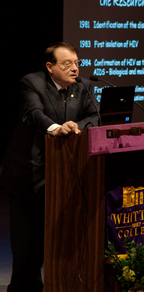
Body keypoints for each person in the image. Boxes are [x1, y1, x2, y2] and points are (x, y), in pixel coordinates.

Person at [0, 42, 99, 292]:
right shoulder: (32, 83)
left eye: (77, 63)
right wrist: (57, 129)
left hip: (64, 176)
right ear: (50, 66)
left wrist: (76, 126)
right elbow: (33, 113)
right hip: (28, 174)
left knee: (55, 240)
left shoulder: (84, 86)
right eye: (67, 64)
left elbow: (95, 116)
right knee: (27, 246)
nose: (74, 68)